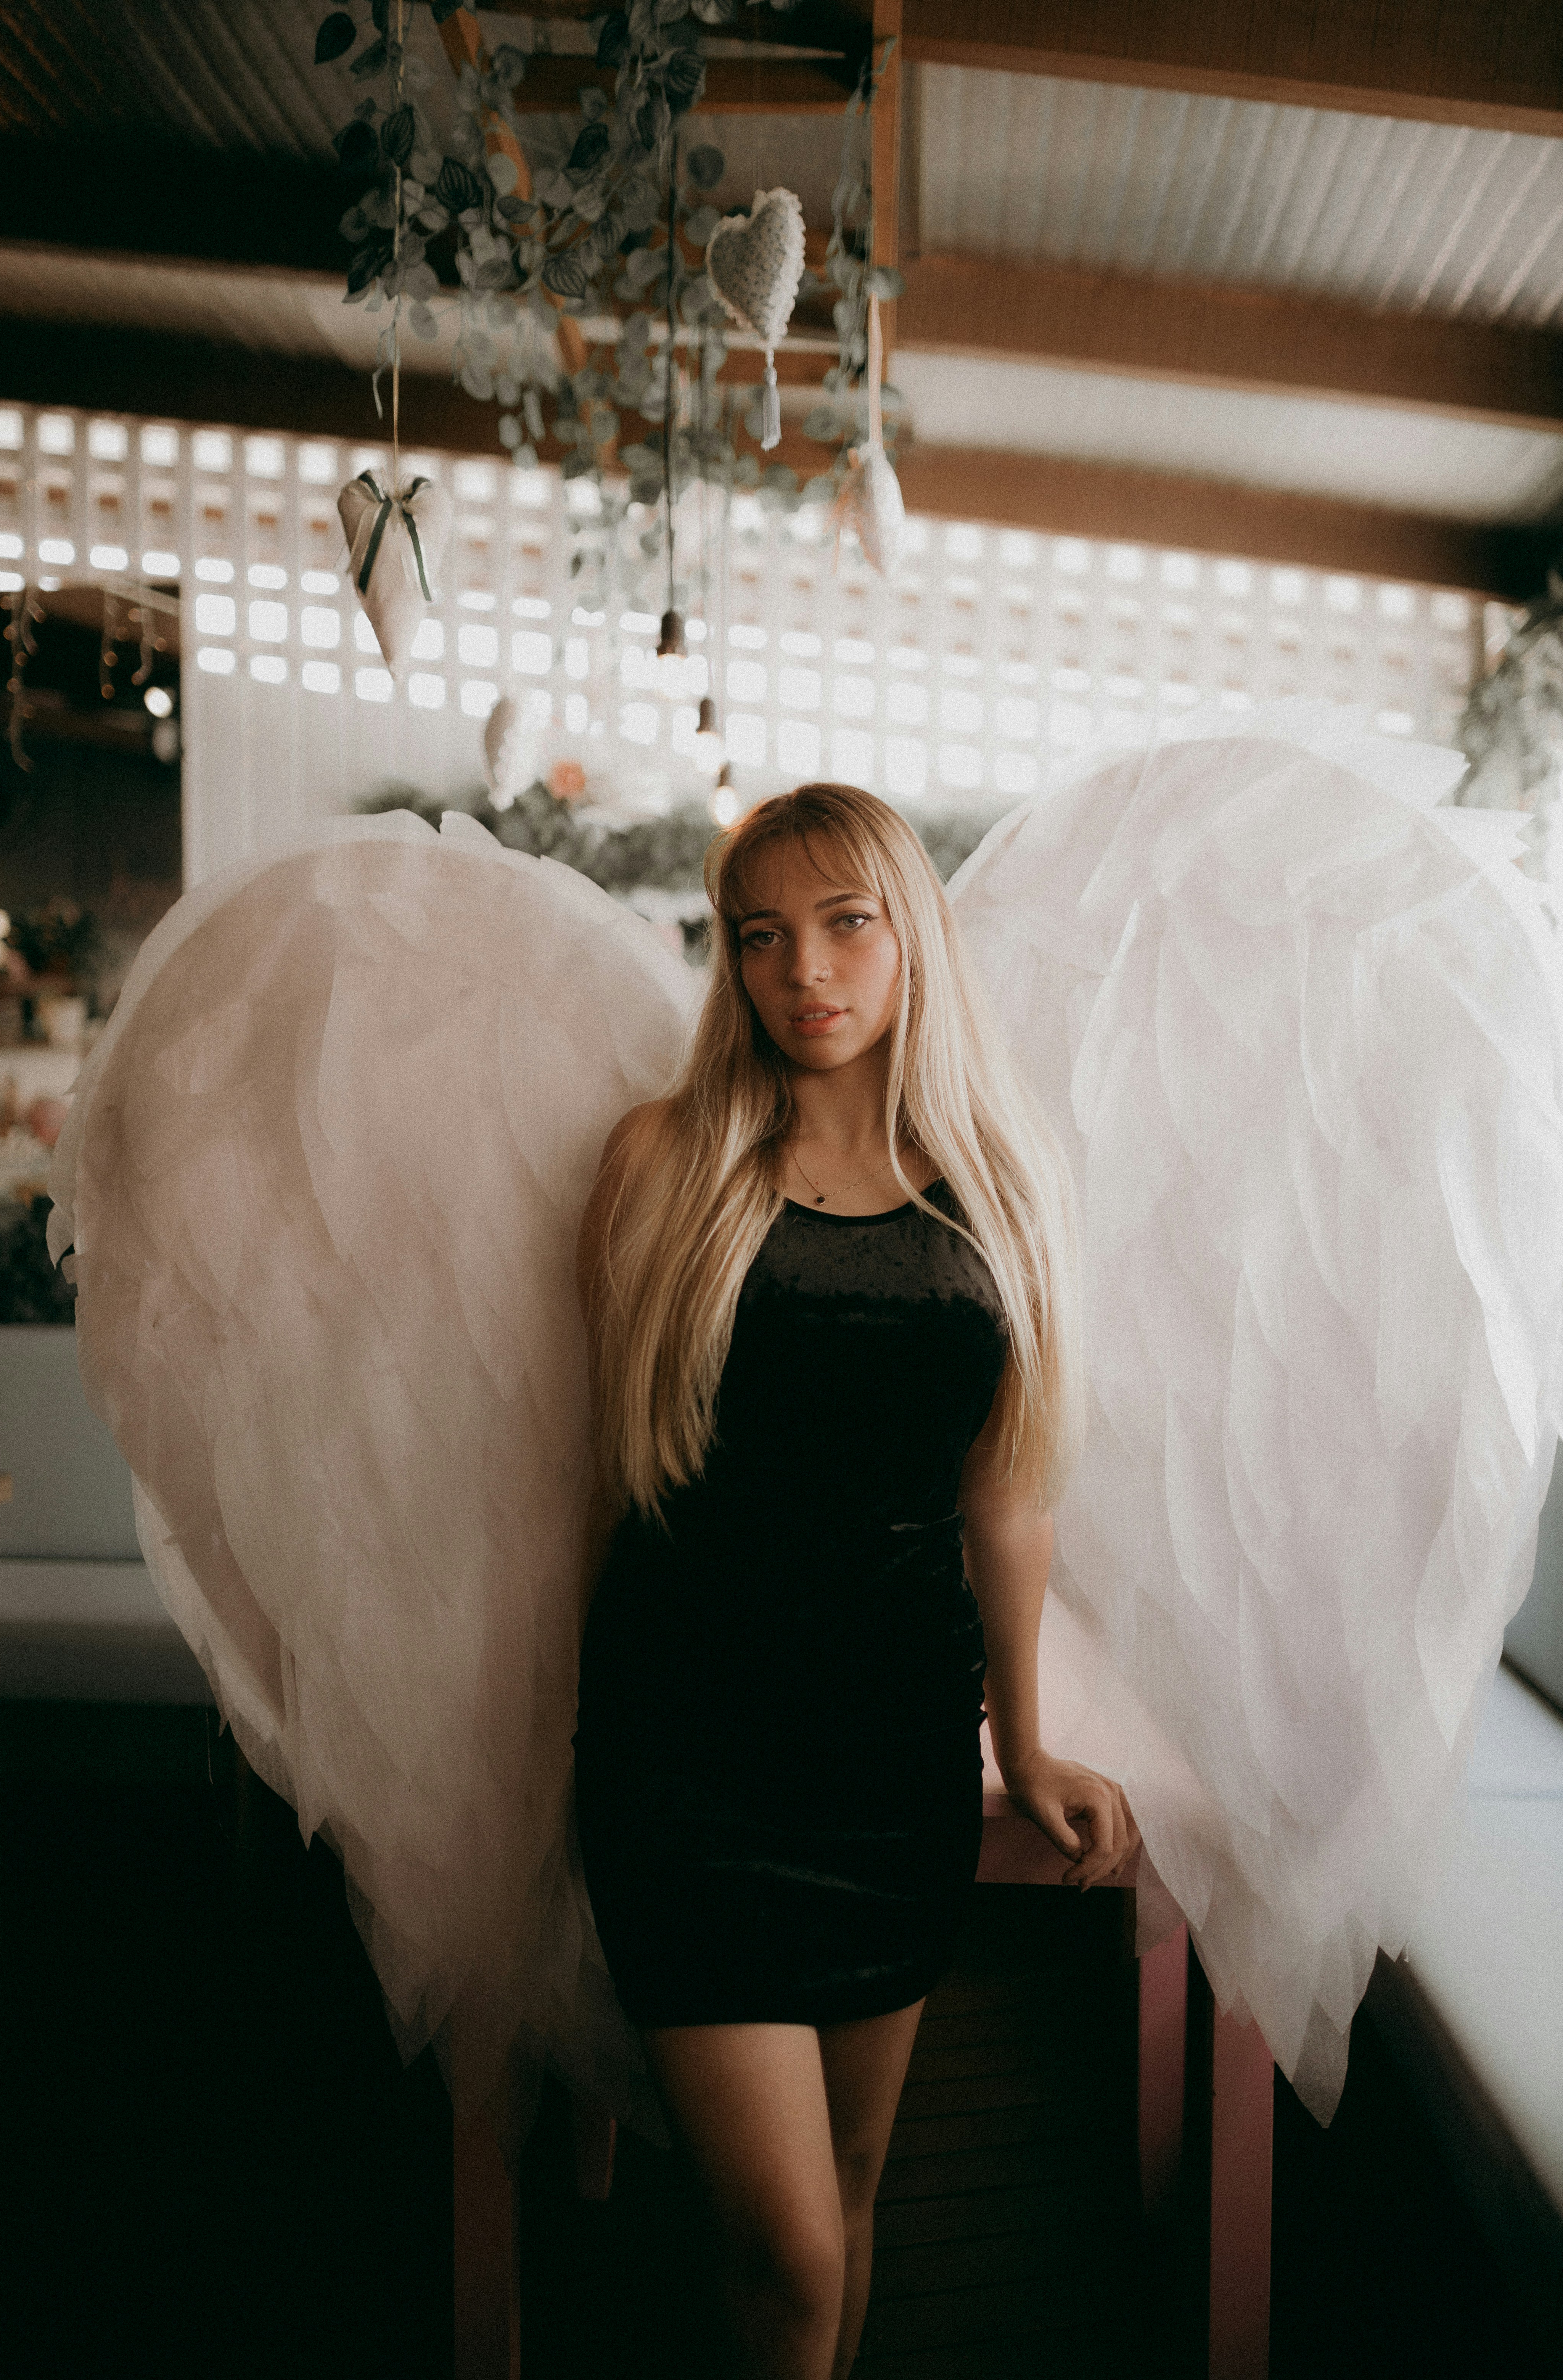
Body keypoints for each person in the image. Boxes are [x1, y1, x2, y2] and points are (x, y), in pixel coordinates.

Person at [572, 782, 1141, 2380]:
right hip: (682, 1758)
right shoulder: (661, 1162)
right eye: (759, 937)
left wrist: (1019, 1752)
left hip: (890, 1760)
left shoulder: (999, 1192)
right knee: (784, 2247)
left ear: (912, 934)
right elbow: (594, 1482)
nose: (800, 970)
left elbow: (1005, 1501)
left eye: (843, 923)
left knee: (851, 2191)